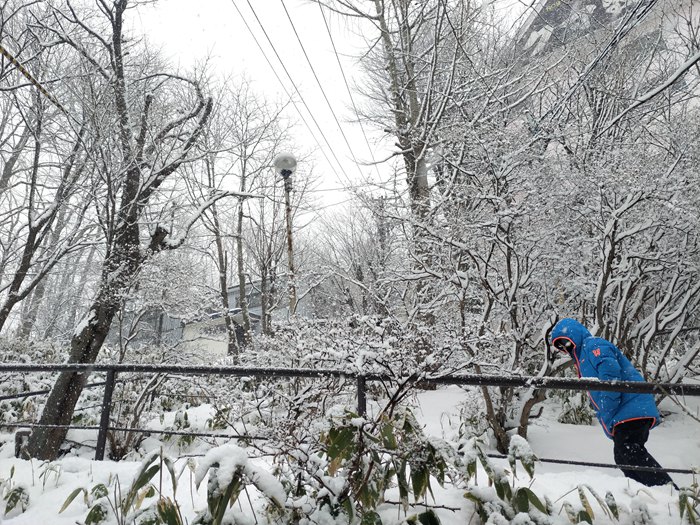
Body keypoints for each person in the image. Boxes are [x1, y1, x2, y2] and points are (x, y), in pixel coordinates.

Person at [550, 317, 677, 488]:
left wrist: (607, 405)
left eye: (566, 341)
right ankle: (646, 493)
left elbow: (610, 372)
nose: (565, 347)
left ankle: (668, 491)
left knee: (629, 451)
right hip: (626, 410)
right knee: (623, 455)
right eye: (561, 345)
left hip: (631, 407)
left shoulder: (593, 345)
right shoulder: (583, 356)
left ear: (574, 335)